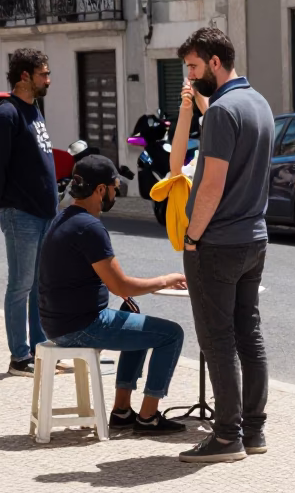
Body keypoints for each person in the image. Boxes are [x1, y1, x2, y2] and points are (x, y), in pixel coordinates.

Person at [177, 27, 275, 463]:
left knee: (218, 340)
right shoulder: (260, 104)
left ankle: (225, 436)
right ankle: (253, 432)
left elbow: (212, 185)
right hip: (254, 238)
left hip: (217, 242)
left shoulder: (221, 111)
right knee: (248, 334)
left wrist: (192, 236)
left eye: (194, 67)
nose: (191, 76)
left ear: (215, 63)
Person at [38, 156, 188, 432]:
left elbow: (99, 280)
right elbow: (121, 286)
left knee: (135, 319)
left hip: (57, 322)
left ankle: (121, 411)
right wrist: (165, 280)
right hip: (80, 326)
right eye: (114, 187)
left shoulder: (65, 217)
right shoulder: (90, 227)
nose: (116, 193)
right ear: (99, 190)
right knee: (171, 334)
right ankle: (149, 416)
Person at [0, 48, 58, 377]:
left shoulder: (34, 109)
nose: (48, 80)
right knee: (20, 285)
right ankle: (19, 357)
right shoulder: (6, 115)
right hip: (21, 214)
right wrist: (5, 202)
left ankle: (40, 351)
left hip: (43, 213)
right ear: (24, 76)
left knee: (40, 285)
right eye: (43, 74)